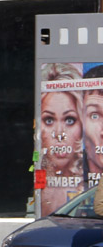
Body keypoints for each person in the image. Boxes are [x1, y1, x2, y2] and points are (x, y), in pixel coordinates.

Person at [39, 62, 83, 214]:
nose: (59, 133)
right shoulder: (40, 190)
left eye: (70, 120)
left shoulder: (88, 189)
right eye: (49, 120)